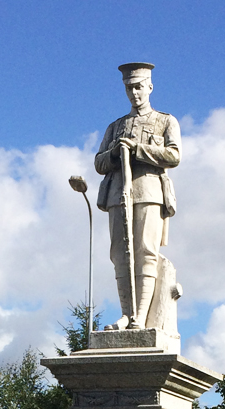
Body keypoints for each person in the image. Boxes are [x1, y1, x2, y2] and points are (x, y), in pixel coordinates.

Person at [94, 62, 181, 331]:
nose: (134, 93)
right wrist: (113, 154)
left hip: (149, 191)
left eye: (139, 87)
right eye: (129, 88)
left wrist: (138, 150)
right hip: (117, 195)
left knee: (145, 252)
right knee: (120, 255)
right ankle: (125, 313)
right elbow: (98, 163)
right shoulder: (115, 126)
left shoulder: (165, 121)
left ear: (150, 87)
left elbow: (174, 155)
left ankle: (140, 317)